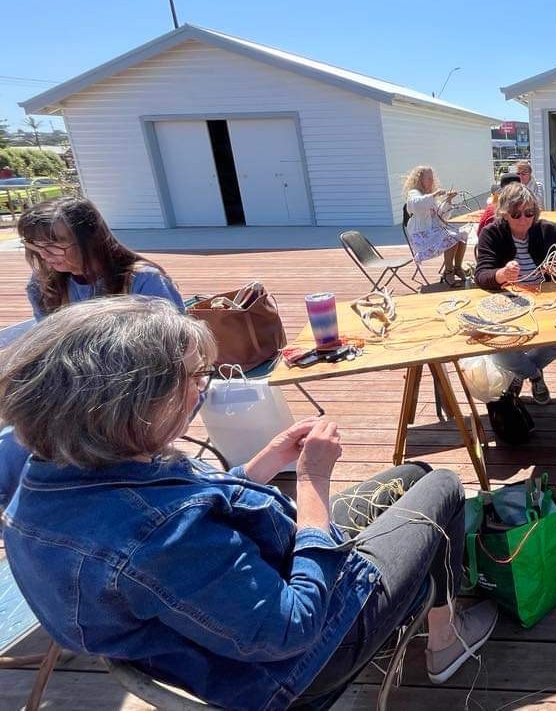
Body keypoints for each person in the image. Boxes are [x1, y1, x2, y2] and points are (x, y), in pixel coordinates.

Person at [0, 297, 497, 709]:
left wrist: (259, 468)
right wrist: (312, 482)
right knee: (445, 487)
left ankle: (427, 613)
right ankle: (445, 638)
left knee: (412, 474)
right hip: (297, 663)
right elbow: (291, 626)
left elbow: (190, 523)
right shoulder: (160, 536)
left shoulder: (47, 479)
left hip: (215, 633)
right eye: (194, 378)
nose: (201, 390)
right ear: (132, 404)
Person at [475, 183, 556, 403]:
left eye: (529, 213)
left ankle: (520, 374)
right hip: (509, 304)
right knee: (499, 350)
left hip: (545, 303)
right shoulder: (492, 233)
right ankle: (533, 375)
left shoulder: (547, 230)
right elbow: (481, 274)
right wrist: (501, 274)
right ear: (504, 214)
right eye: (516, 214)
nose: (524, 219)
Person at [19, 197, 184, 319]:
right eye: (36, 245)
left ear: (91, 240)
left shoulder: (143, 280)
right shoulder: (43, 284)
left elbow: (176, 342)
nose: (44, 254)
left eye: (53, 245)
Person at [403, 165, 469, 288]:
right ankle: (448, 272)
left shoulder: (429, 195)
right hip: (421, 235)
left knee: (462, 235)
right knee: (451, 237)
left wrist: (448, 200)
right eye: (428, 178)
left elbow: (441, 215)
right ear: (420, 179)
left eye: (432, 178)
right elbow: (415, 205)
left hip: (433, 232)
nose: (431, 181)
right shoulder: (414, 193)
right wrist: (434, 195)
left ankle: (457, 267)